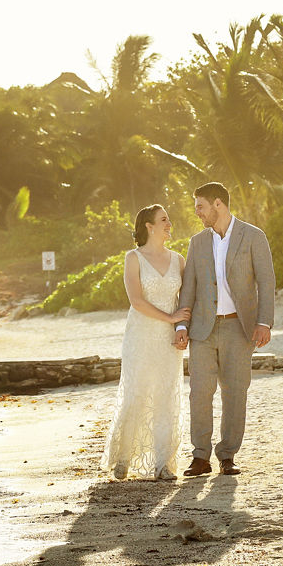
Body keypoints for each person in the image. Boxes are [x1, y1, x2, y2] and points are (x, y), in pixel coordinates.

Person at [173, 182, 276, 476]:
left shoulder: (254, 236)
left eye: (200, 206)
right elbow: (189, 287)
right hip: (202, 330)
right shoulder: (197, 242)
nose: (197, 213)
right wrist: (182, 323)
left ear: (218, 204)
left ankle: (227, 455)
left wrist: (264, 321)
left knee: (235, 392)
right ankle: (200, 457)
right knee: (199, 393)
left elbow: (266, 282)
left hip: (238, 327)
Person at [100, 205, 192, 481]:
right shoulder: (134, 258)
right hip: (140, 335)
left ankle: (164, 464)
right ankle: (124, 457)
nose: (169, 223)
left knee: (166, 395)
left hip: (168, 339)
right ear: (149, 226)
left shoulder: (179, 260)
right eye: (164, 220)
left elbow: (185, 301)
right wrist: (170, 317)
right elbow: (136, 302)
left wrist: (181, 326)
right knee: (137, 394)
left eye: (169, 219)